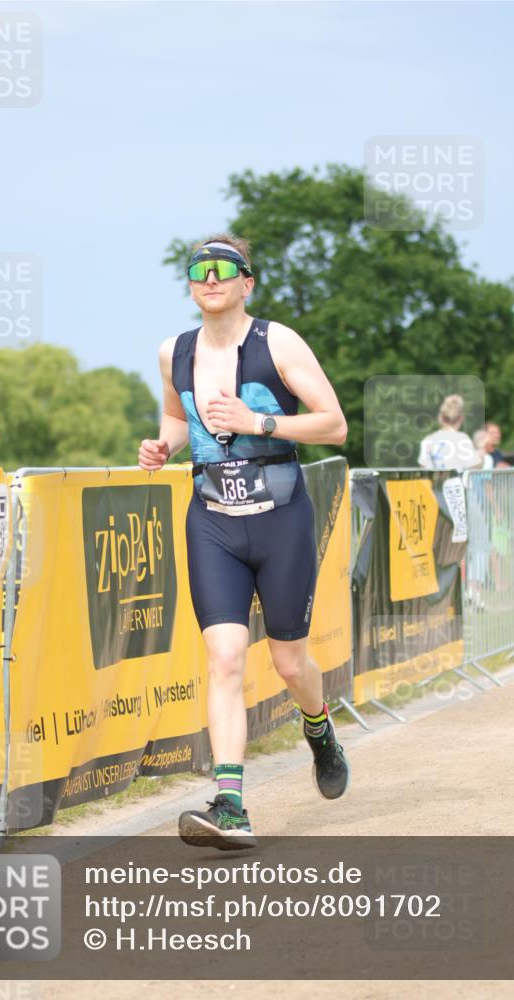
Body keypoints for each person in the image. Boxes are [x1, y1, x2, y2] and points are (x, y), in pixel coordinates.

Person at [138, 234, 349, 850]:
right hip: (213, 520)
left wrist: (260, 422)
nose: (210, 278)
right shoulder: (172, 351)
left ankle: (319, 729)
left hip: (280, 518)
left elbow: (333, 423)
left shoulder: (276, 341)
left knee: (289, 662)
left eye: (222, 269)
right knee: (226, 658)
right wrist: (162, 447)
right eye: (198, 270)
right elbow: (178, 421)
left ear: (246, 281)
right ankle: (230, 803)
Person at [418, 395, 482, 472]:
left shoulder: (428, 439)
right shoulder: (463, 438)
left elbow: (423, 467)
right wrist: (481, 450)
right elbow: (475, 466)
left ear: (440, 418)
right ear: (461, 418)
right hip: (458, 483)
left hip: (435, 483)